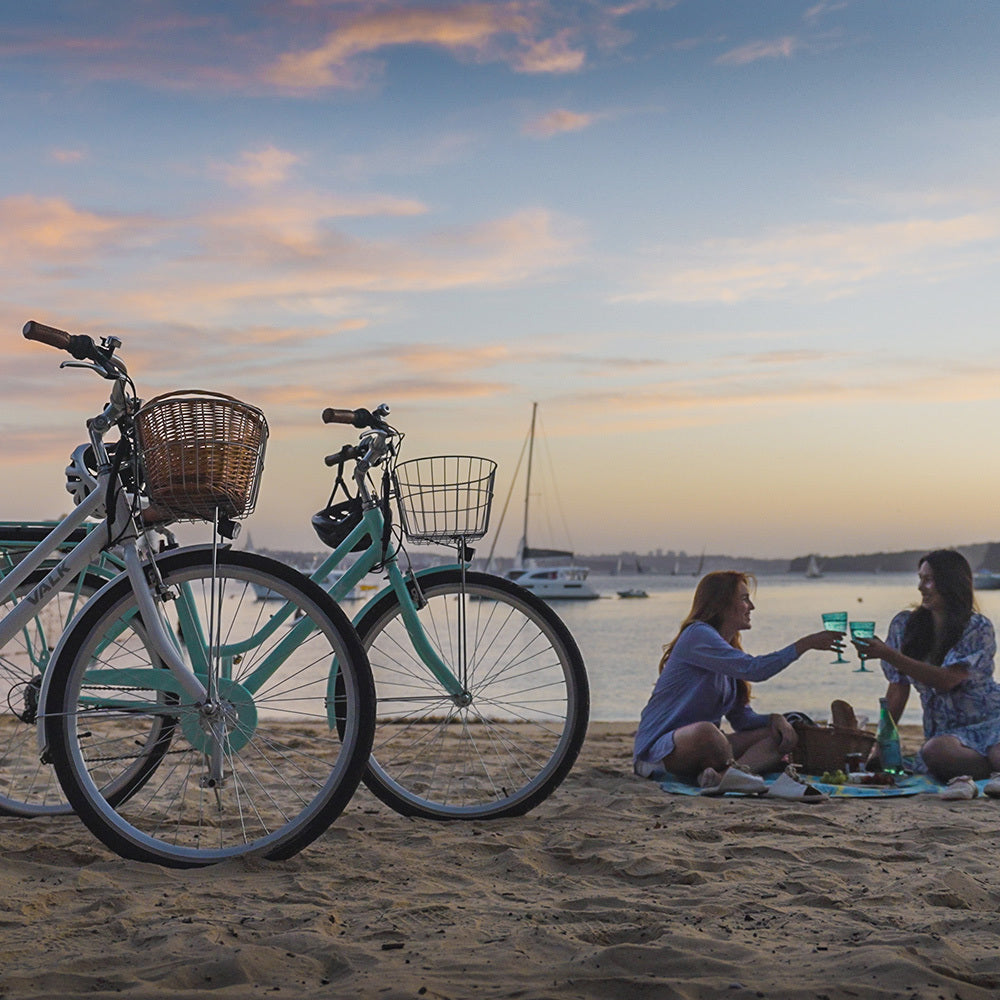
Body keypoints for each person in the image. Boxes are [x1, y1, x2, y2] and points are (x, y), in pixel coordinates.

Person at [633, 570, 843, 793]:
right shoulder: (697, 635)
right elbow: (755, 669)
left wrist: (776, 719)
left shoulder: (728, 653)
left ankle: (722, 776)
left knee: (782, 735)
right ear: (721, 604)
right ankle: (735, 771)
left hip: (708, 751)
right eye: (744, 599)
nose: (751, 607)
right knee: (709, 734)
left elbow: (742, 720)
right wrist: (805, 644)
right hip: (660, 754)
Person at [853, 549, 1000, 789]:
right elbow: (897, 690)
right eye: (920, 579)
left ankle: (988, 769)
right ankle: (991, 772)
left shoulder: (977, 627)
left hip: (992, 719)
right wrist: (880, 748)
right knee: (935, 752)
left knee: (997, 753)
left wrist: (889, 654)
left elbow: (947, 680)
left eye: (928, 579)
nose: (921, 587)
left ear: (951, 583)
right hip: (948, 734)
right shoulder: (904, 625)